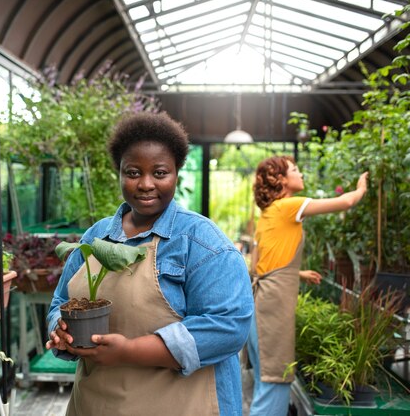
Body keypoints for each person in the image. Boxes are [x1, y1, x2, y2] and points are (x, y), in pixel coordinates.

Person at [46, 111, 254, 416]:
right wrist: (60, 332)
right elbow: (60, 303)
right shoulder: (95, 236)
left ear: (176, 174)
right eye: (132, 172)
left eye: (159, 173)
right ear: (118, 173)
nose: (145, 184)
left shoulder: (201, 243)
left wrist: (129, 352)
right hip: (96, 405)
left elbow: (228, 326)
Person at [246, 155, 368, 416]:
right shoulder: (288, 206)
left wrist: (296, 272)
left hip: (260, 306)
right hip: (273, 307)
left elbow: (258, 266)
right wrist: (360, 188)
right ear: (281, 180)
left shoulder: (268, 213)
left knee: (264, 377)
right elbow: (345, 202)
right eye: (296, 170)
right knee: (275, 380)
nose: (301, 174)